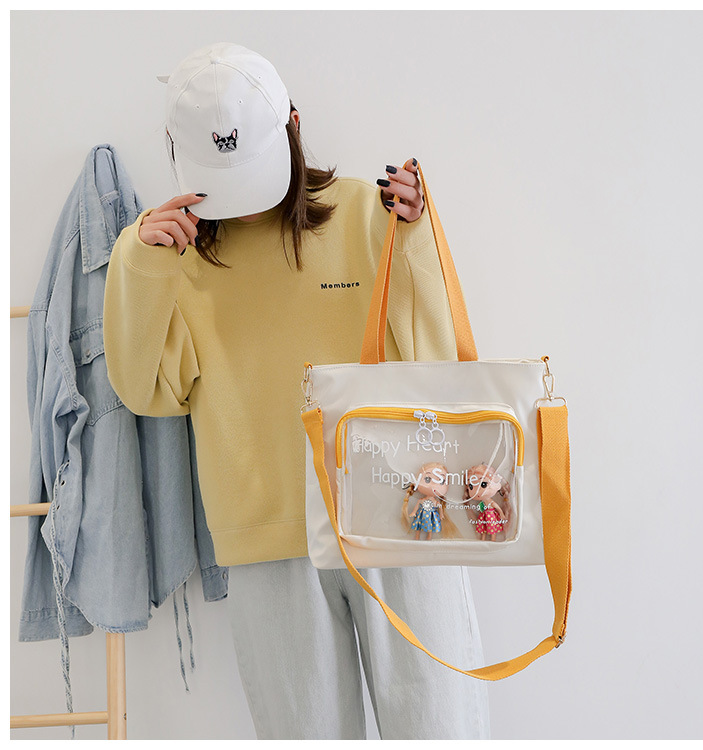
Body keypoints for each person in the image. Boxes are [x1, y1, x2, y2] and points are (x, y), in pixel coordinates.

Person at [103, 42, 490, 740]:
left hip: (404, 513)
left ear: (294, 125)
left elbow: (436, 362)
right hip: (268, 539)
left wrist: (416, 237)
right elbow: (148, 391)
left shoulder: (371, 213)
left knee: (443, 728)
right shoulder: (175, 258)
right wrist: (139, 264)